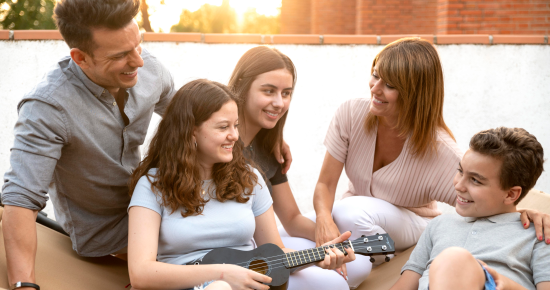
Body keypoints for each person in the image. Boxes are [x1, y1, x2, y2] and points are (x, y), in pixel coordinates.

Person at [312, 37, 550, 288]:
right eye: (375, 75)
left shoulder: (536, 237)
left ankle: (372, 254)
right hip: (358, 222)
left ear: (414, 93)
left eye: (390, 84)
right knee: (291, 240)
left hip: (400, 226)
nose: (375, 88)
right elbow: (325, 185)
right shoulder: (441, 228)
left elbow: (497, 199)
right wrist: (323, 220)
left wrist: (524, 214)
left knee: (349, 211)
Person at [0, 0, 176, 289]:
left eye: (138, 45)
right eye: (121, 55)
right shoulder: (47, 107)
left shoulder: (151, 70)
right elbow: (20, 201)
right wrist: (24, 286)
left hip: (159, 215)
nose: (138, 62)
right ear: (80, 57)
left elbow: (196, 123)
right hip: (107, 241)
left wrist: (263, 142)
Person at [127, 79, 355, 290]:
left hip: (249, 285)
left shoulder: (250, 179)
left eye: (235, 125)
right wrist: (224, 275)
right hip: (188, 286)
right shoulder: (152, 185)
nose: (234, 135)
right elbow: (141, 273)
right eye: (223, 127)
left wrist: (318, 257)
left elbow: (275, 252)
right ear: (191, 131)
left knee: (333, 284)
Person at [228, 46, 350, 289]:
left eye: (286, 93)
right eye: (268, 91)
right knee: (334, 283)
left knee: (356, 263)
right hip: (232, 260)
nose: (279, 102)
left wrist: (333, 239)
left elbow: (292, 218)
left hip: (265, 245)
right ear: (242, 86)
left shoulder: (268, 149)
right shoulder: (221, 145)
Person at [390, 127, 549, 290]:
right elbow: (404, 285)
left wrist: (508, 285)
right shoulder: (438, 225)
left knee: (454, 259)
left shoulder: (538, 233)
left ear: (510, 194)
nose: (459, 185)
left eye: (475, 180)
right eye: (460, 171)